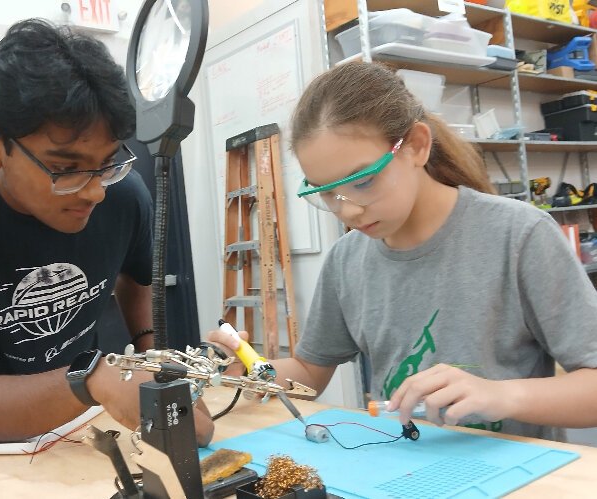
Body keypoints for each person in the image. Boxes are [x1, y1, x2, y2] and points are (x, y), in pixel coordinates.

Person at [0, 18, 212, 445]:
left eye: (106, 162)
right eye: (65, 169)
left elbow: (136, 278)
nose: (93, 192)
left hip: (76, 434)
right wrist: (92, 380)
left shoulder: (121, 192)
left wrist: (155, 362)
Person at [210, 61, 597, 441]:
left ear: (416, 146)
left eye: (362, 181)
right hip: (401, 467)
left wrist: (502, 395)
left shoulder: (519, 235)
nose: (347, 210)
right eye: (327, 193)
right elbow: (310, 370)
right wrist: (250, 368)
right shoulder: (348, 260)